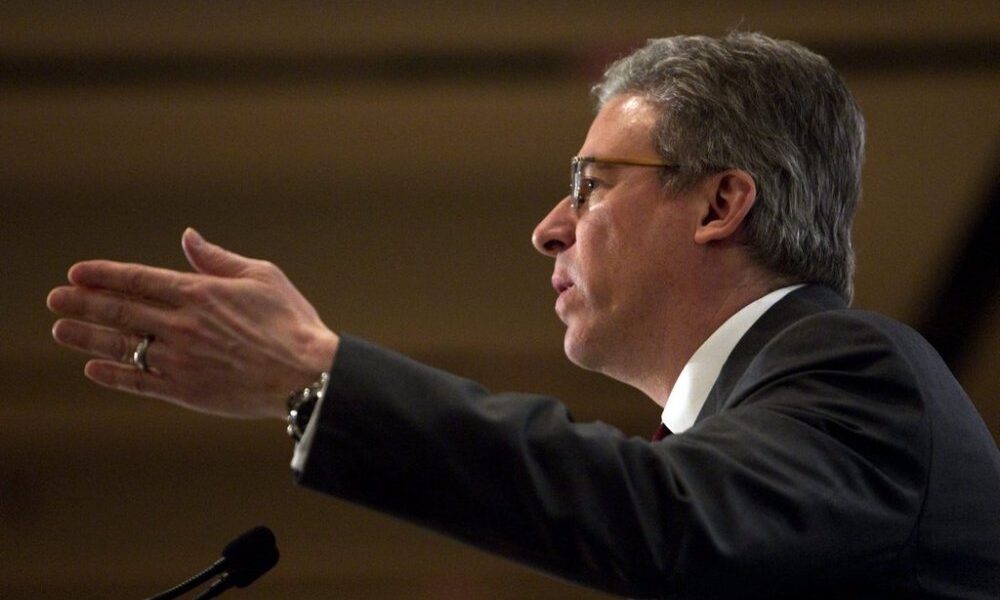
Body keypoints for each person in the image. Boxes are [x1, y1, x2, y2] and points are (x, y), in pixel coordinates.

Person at [46, 32, 999, 598]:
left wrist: (315, 373)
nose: (549, 229)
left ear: (720, 204)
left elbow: (663, 519)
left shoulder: (860, 375)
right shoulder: (768, 425)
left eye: (590, 183)